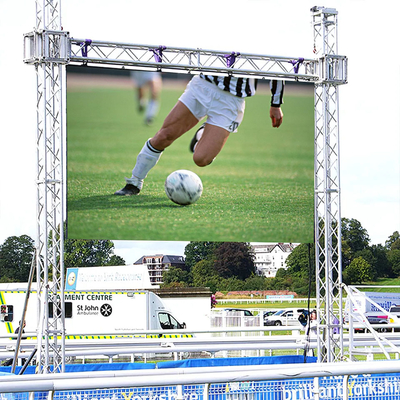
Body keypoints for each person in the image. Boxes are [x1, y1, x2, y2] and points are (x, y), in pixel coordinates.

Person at [114, 74, 284, 196]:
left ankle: (202, 133)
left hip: (231, 100)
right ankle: (134, 183)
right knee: (164, 136)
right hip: (202, 87)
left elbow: (277, 62)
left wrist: (276, 104)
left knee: (201, 159)